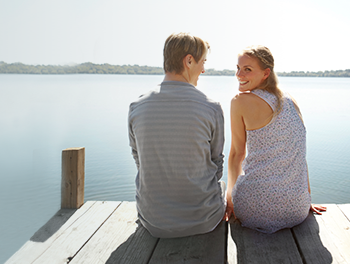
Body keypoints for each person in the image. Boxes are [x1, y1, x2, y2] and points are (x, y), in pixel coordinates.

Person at [128, 33, 226, 238]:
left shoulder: (137, 107)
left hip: (153, 222)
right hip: (205, 220)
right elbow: (216, 162)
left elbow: (139, 160)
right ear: (189, 61)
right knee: (223, 185)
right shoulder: (211, 107)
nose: (204, 69)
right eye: (203, 62)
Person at [225, 45, 326, 233]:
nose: (239, 74)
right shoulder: (290, 100)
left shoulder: (239, 101)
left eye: (247, 69)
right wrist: (305, 198)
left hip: (253, 209)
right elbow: (300, 154)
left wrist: (230, 201)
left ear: (266, 73)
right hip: (297, 210)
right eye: (238, 68)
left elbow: (237, 155)